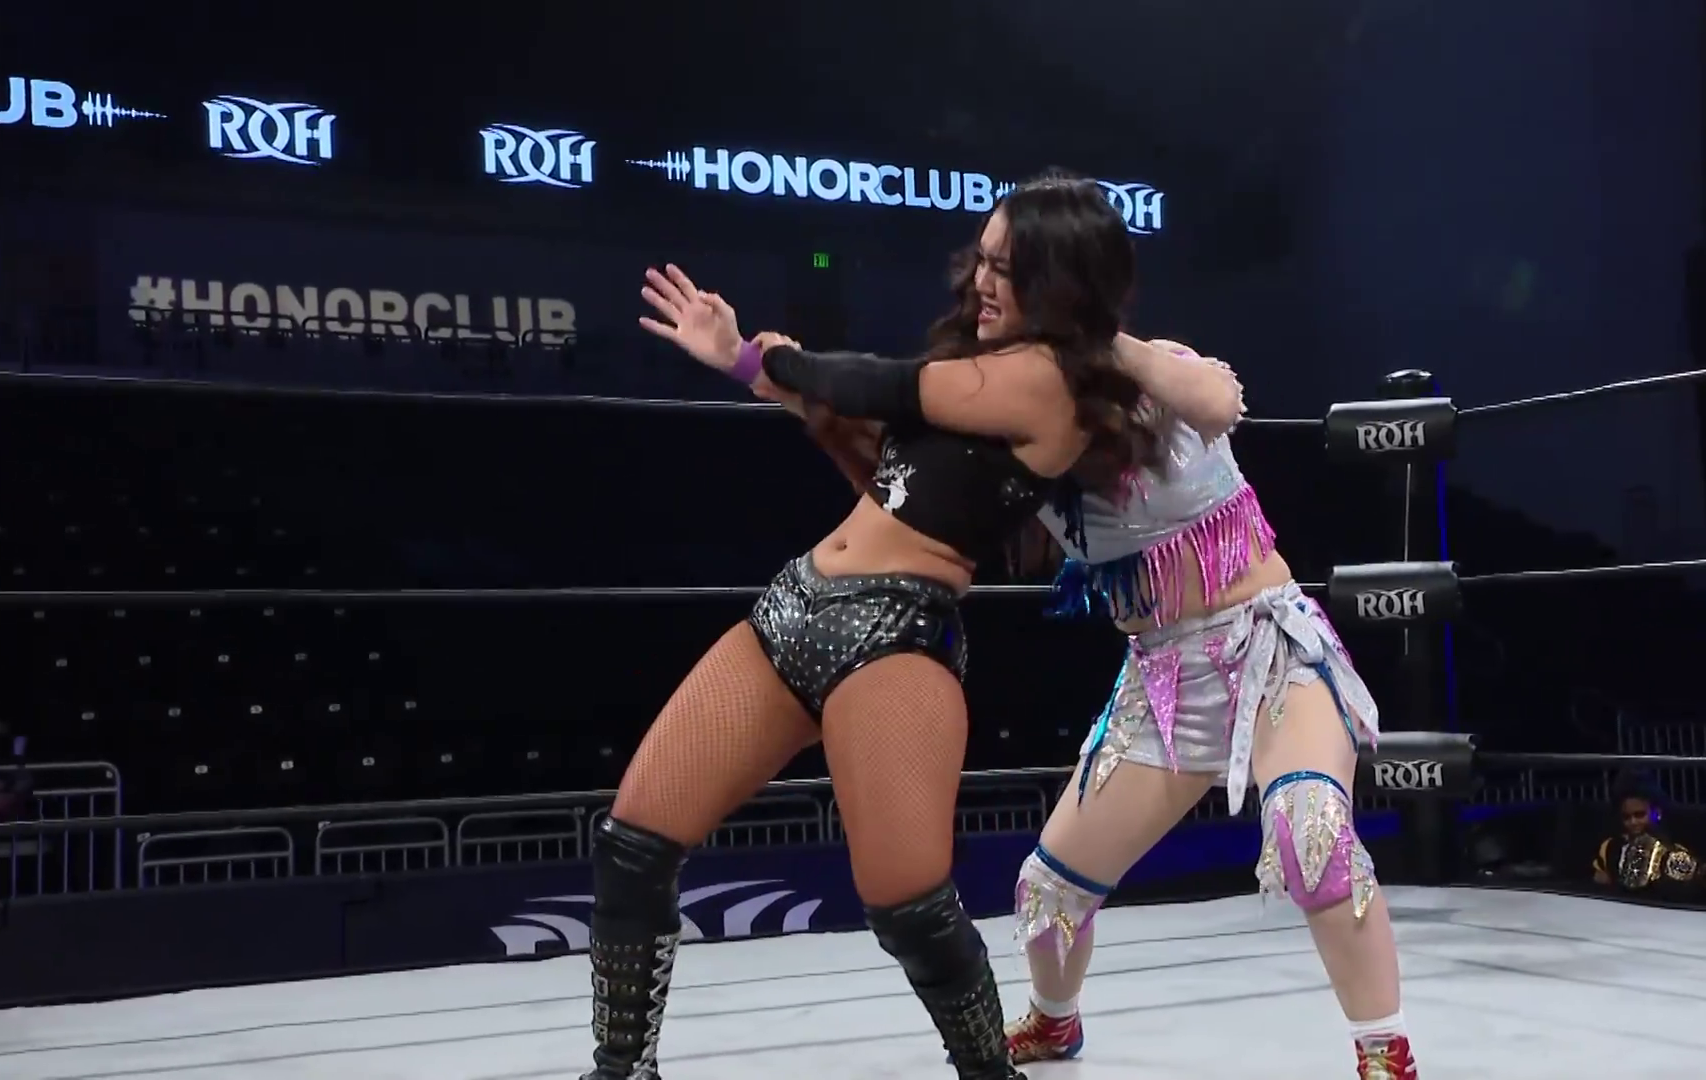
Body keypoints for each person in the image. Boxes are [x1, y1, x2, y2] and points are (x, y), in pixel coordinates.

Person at [582, 175, 1160, 1080]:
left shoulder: (1049, 381)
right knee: (634, 842)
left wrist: (761, 358)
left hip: (894, 639)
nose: (982, 282)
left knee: (907, 904)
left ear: (1060, 282)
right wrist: (746, 363)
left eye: (1007, 269)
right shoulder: (975, 367)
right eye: (981, 260)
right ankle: (621, 1073)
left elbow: (873, 384)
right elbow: (878, 457)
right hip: (796, 606)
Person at [997, 351, 1417, 1079]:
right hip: (1162, 680)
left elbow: (1222, 402)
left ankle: (1385, 1057)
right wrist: (784, 375)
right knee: (1047, 889)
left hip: (1270, 646)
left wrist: (1100, 335)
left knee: (1311, 832)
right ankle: (1053, 1019)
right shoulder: (1011, 430)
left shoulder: (1149, 369)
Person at [1592, 776, 1706, 899]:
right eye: (1626, 817)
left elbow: (1704, 884)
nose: (1633, 822)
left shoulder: (1674, 849)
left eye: (1639, 815)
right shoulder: (1610, 847)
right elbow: (1599, 878)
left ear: (1656, 813)